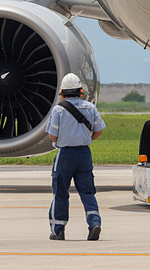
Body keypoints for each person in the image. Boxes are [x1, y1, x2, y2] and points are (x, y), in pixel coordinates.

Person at [45, 73, 106, 241]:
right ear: (80, 92)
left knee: (60, 192)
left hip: (65, 155)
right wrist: (87, 139)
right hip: (84, 154)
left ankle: (58, 230)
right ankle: (94, 223)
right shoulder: (90, 108)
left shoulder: (58, 110)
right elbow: (99, 130)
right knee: (88, 192)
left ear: (62, 93)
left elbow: (52, 136)